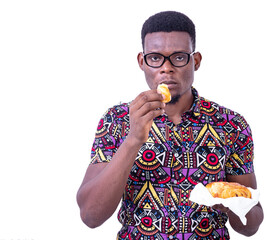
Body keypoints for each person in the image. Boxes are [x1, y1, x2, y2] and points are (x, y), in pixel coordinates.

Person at [77, 11, 264, 240]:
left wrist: (231, 204)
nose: (166, 68)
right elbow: (90, 216)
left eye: (178, 57)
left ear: (195, 61)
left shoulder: (231, 125)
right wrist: (133, 138)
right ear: (142, 62)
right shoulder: (116, 120)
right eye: (155, 58)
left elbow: (252, 223)